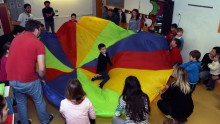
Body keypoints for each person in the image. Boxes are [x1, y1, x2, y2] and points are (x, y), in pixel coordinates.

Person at [6, 20, 53, 124]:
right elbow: (41, 69)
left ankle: (24, 122)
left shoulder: (15, 39)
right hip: (28, 81)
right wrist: (41, 78)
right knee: (38, 100)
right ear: (36, 30)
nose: (40, 31)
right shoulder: (38, 43)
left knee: (21, 102)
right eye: (40, 29)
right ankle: (45, 120)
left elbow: (21, 59)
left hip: (12, 80)